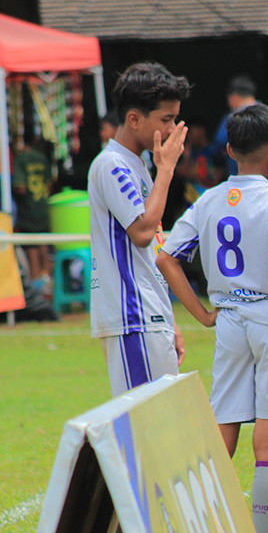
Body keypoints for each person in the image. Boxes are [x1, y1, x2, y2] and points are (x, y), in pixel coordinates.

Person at [157, 103, 268, 533]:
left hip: (230, 325)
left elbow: (166, 257)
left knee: (223, 434)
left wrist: (202, 313)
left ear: (228, 150)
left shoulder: (208, 200)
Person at [88, 62, 190, 398]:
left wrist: (167, 317)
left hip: (149, 313)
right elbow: (142, 232)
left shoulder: (139, 162)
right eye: (166, 120)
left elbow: (150, 250)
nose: (174, 128)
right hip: (132, 316)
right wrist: (167, 170)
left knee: (160, 424)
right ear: (134, 119)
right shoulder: (112, 164)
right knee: (145, 426)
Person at [12, 134, 53, 292]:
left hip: (28, 210)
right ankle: (48, 283)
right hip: (43, 207)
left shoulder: (21, 159)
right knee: (44, 247)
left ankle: (37, 289)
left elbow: (20, 187)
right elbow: (49, 184)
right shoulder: (42, 158)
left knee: (32, 249)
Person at [211, 75, 258, 177]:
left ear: (234, 96)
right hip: (266, 180)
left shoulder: (233, 116)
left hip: (238, 177)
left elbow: (219, 142)